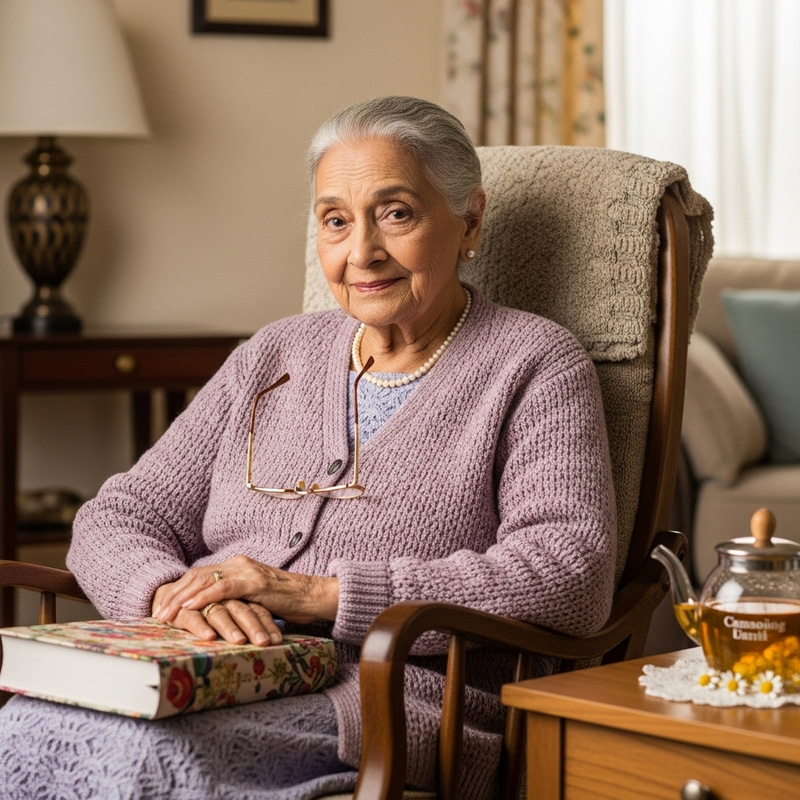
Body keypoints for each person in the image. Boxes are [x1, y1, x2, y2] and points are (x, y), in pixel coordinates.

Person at [0, 96, 616, 799]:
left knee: (141, 754)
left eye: (396, 213)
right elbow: (118, 514)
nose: (362, 253)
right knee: (25, 727)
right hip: (203, 667)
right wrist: (173, 596)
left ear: (469, 220)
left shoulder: (535, 363)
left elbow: (570, 571)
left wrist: (317, 594)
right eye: (335, 221)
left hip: (386, 698)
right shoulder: (276, 353)